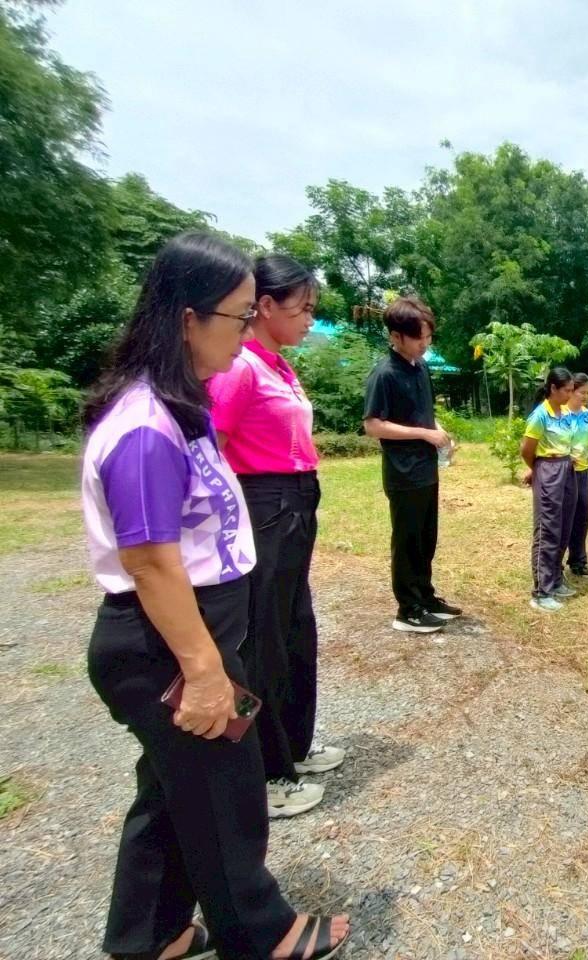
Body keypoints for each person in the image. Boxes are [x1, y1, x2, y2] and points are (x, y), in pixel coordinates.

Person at [81, 231, 350, 960]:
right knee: (224, 793)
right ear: (186, 319)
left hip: (188, 632)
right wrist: (203, 672)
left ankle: (151, 933)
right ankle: (262, 935)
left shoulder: (177, 408)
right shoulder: (144, 428)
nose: (246, 328)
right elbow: (150, 562)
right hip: (169, 640)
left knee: (172, 791)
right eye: (237, 314)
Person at [207, 254, 342, 821]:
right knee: (262, 638)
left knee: (295, 629)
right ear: (264, 306)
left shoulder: (279, 367)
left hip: (296, 502)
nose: (309, 319)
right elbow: (209, 451)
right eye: (302, 308)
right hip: (265, 504)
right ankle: (265, 773)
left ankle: (295, 745)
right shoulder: (239, 369)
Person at [362, 297, 463, 634]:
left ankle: (426, 597)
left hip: (426, 468)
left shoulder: (420, 368)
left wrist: (440, 434)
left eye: (429, 336)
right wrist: (424, 433)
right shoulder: (384, 374)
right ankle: (408, 609)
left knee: (425, 538)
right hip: (403, 473)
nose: (425, 343)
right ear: (396, 336)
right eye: (419, 337)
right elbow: (373, 425)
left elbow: (423, 414)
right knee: (407, 542)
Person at [521, 367, 578, 611]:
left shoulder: (565, 412)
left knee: (564, 526)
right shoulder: (540, 415)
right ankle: (541, 592)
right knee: (548, 530)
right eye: (567, 390)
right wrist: (540, 469)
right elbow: (526, 450)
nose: (570, 394)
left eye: (572, 390)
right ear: (553, 388)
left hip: (566, 468)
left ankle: (555, 579)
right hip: (548, 468)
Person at [565, 372, 588, 578]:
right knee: (564, 518)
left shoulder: (587, 415)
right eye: (581, 392)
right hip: (564, 473)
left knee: (582, 516)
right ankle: (555, 565)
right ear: (571, 391)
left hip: (583, 471)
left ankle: (578, 561)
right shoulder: (561, 414)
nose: (585, 396)